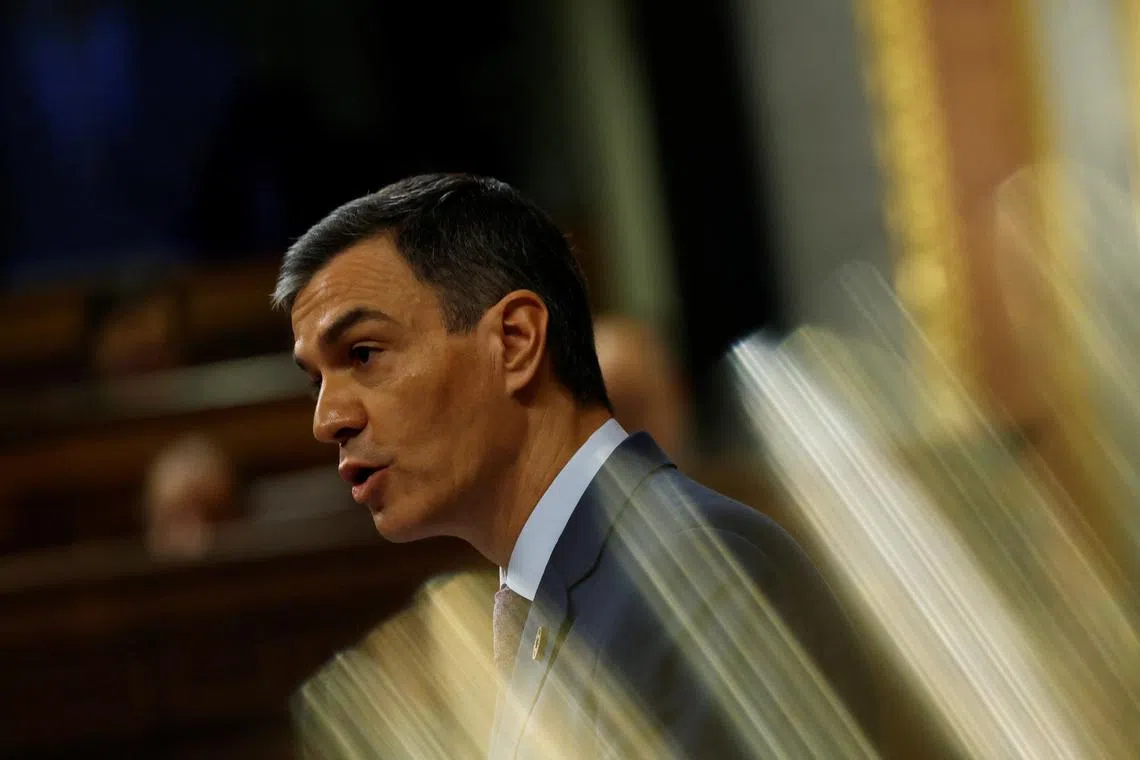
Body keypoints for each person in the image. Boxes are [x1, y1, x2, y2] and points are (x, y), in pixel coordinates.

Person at [277, 174, 876, 757]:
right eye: (317, 382)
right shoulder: (560, 597)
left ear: (514, 341)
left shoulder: (699, 570)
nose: (327, 419)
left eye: (363, 353)